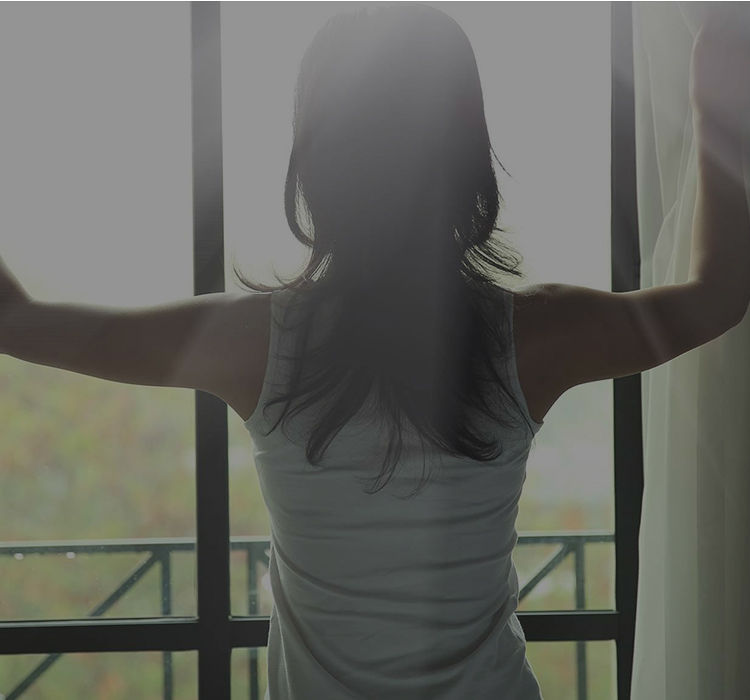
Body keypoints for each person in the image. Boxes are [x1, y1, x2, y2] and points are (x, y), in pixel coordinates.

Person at [1, 3, 748, 698]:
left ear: (315, 161)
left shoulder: (253, 343)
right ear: (466, 156)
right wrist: (721, 58)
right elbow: (717, 296)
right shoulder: (536, 335)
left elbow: (17, 321)